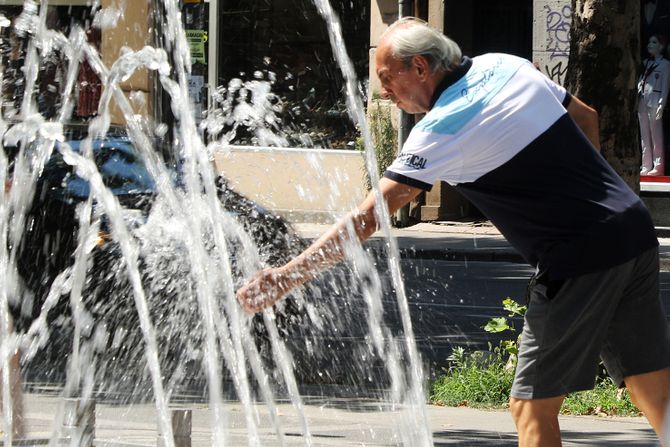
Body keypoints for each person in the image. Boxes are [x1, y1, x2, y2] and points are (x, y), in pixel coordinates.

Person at [236, 17, 670, 446]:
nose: (384, 91)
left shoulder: (439, 129)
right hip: (631, 228)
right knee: (652, 387)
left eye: (388, 78)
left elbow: (369, 219)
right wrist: (581, 193)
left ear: (421, 68)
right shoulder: (508, 65)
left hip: (577, 257)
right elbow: (586, 117)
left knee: (531, 407)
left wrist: (285, 278)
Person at [638, 34, 670, 175]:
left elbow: (665, 87)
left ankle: (658, 165)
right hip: (642, 101)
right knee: (644, 135)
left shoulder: (665, 65)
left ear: (661, 46)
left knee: (656, 135)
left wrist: (662, 105)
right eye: (649, 42)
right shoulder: (646, 63)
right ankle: (646, 164)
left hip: (655, 101)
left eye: (654, 42)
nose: (649, 45)